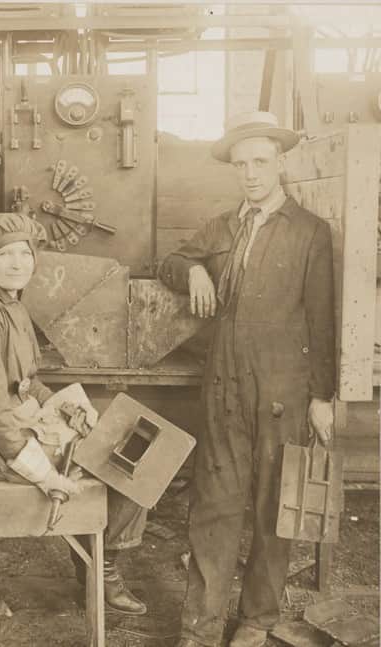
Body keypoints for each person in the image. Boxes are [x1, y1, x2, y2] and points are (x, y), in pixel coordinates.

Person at [159, 111, 335, 647]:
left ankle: (257, 619)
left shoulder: (310, 232)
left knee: (272, 504)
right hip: (224, 387)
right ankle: (201, 626)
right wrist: (191, 269)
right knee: (214, 503)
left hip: (283, 389)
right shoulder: (223, 227)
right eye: (241, 165)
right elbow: (169, 260)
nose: (251, 174)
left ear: (280, 164)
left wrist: (322, 397)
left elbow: (322, 319)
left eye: (261, 162)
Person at [0, 212, 147, 616]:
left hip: (16, 427)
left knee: (128, 445)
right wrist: (46, 474)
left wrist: (69, 409)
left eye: (25, 253)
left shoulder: (10, 305)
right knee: (133, 467)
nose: (18, 263)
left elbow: (26, 381)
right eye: (5, 254)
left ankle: (96, 565)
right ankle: (101, 571)